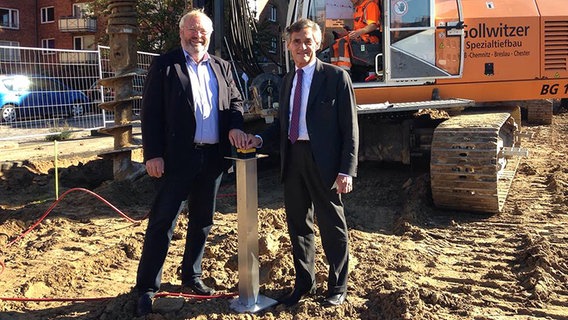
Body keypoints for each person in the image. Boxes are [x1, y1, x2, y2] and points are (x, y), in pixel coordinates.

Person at [135, 9, 248, 317]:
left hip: (212, 158)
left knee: (202, 221)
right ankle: (147, 287)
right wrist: (152, 154)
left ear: (209, 35)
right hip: (175, 159)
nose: (198, 36)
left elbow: (236, 102)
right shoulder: (165, 65)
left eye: (203, 32)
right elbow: (151, 113)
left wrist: (236, 125)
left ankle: (191, 276)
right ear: (181, 32)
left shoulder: (222, 67)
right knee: (163, 222)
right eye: (192, 30)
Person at [246, 18, 359, 307]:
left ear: (318, 43)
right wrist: (259, 139)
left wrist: (347, 169)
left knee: (332, 226)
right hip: (293, 160)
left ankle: (337, 286)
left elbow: (350, 128)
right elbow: (284, 124)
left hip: (325, 163)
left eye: (308, 41)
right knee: (298, 226)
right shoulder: (287, 81)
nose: (302, 46)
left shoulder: (336, 78)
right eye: (296, 41)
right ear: (288, 46)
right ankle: (304, 283)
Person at [330, 0, 381, 77]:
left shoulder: (370, 5)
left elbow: (373, 25)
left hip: (370, 39)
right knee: (335, 43)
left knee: (343, 43)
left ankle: (344, 72)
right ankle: (336, 69)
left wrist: (359, 32)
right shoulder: (358, 8)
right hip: (360, 36)